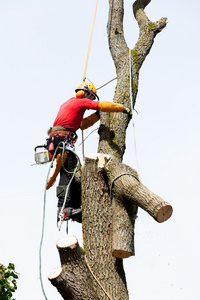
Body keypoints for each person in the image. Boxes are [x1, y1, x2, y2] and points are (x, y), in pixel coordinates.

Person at [47, 82, 132, 223]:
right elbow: (103, 105)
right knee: (68, 173)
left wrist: (98, 116)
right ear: (85, 93)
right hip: (62, 141)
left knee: (73, 173)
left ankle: (73, 207)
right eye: (91, 97)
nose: (91, 101)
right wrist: (122, 109)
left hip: (58, 140)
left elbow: (81, 125)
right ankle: (64, 207)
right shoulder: (80, 102)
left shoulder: (69, 104)